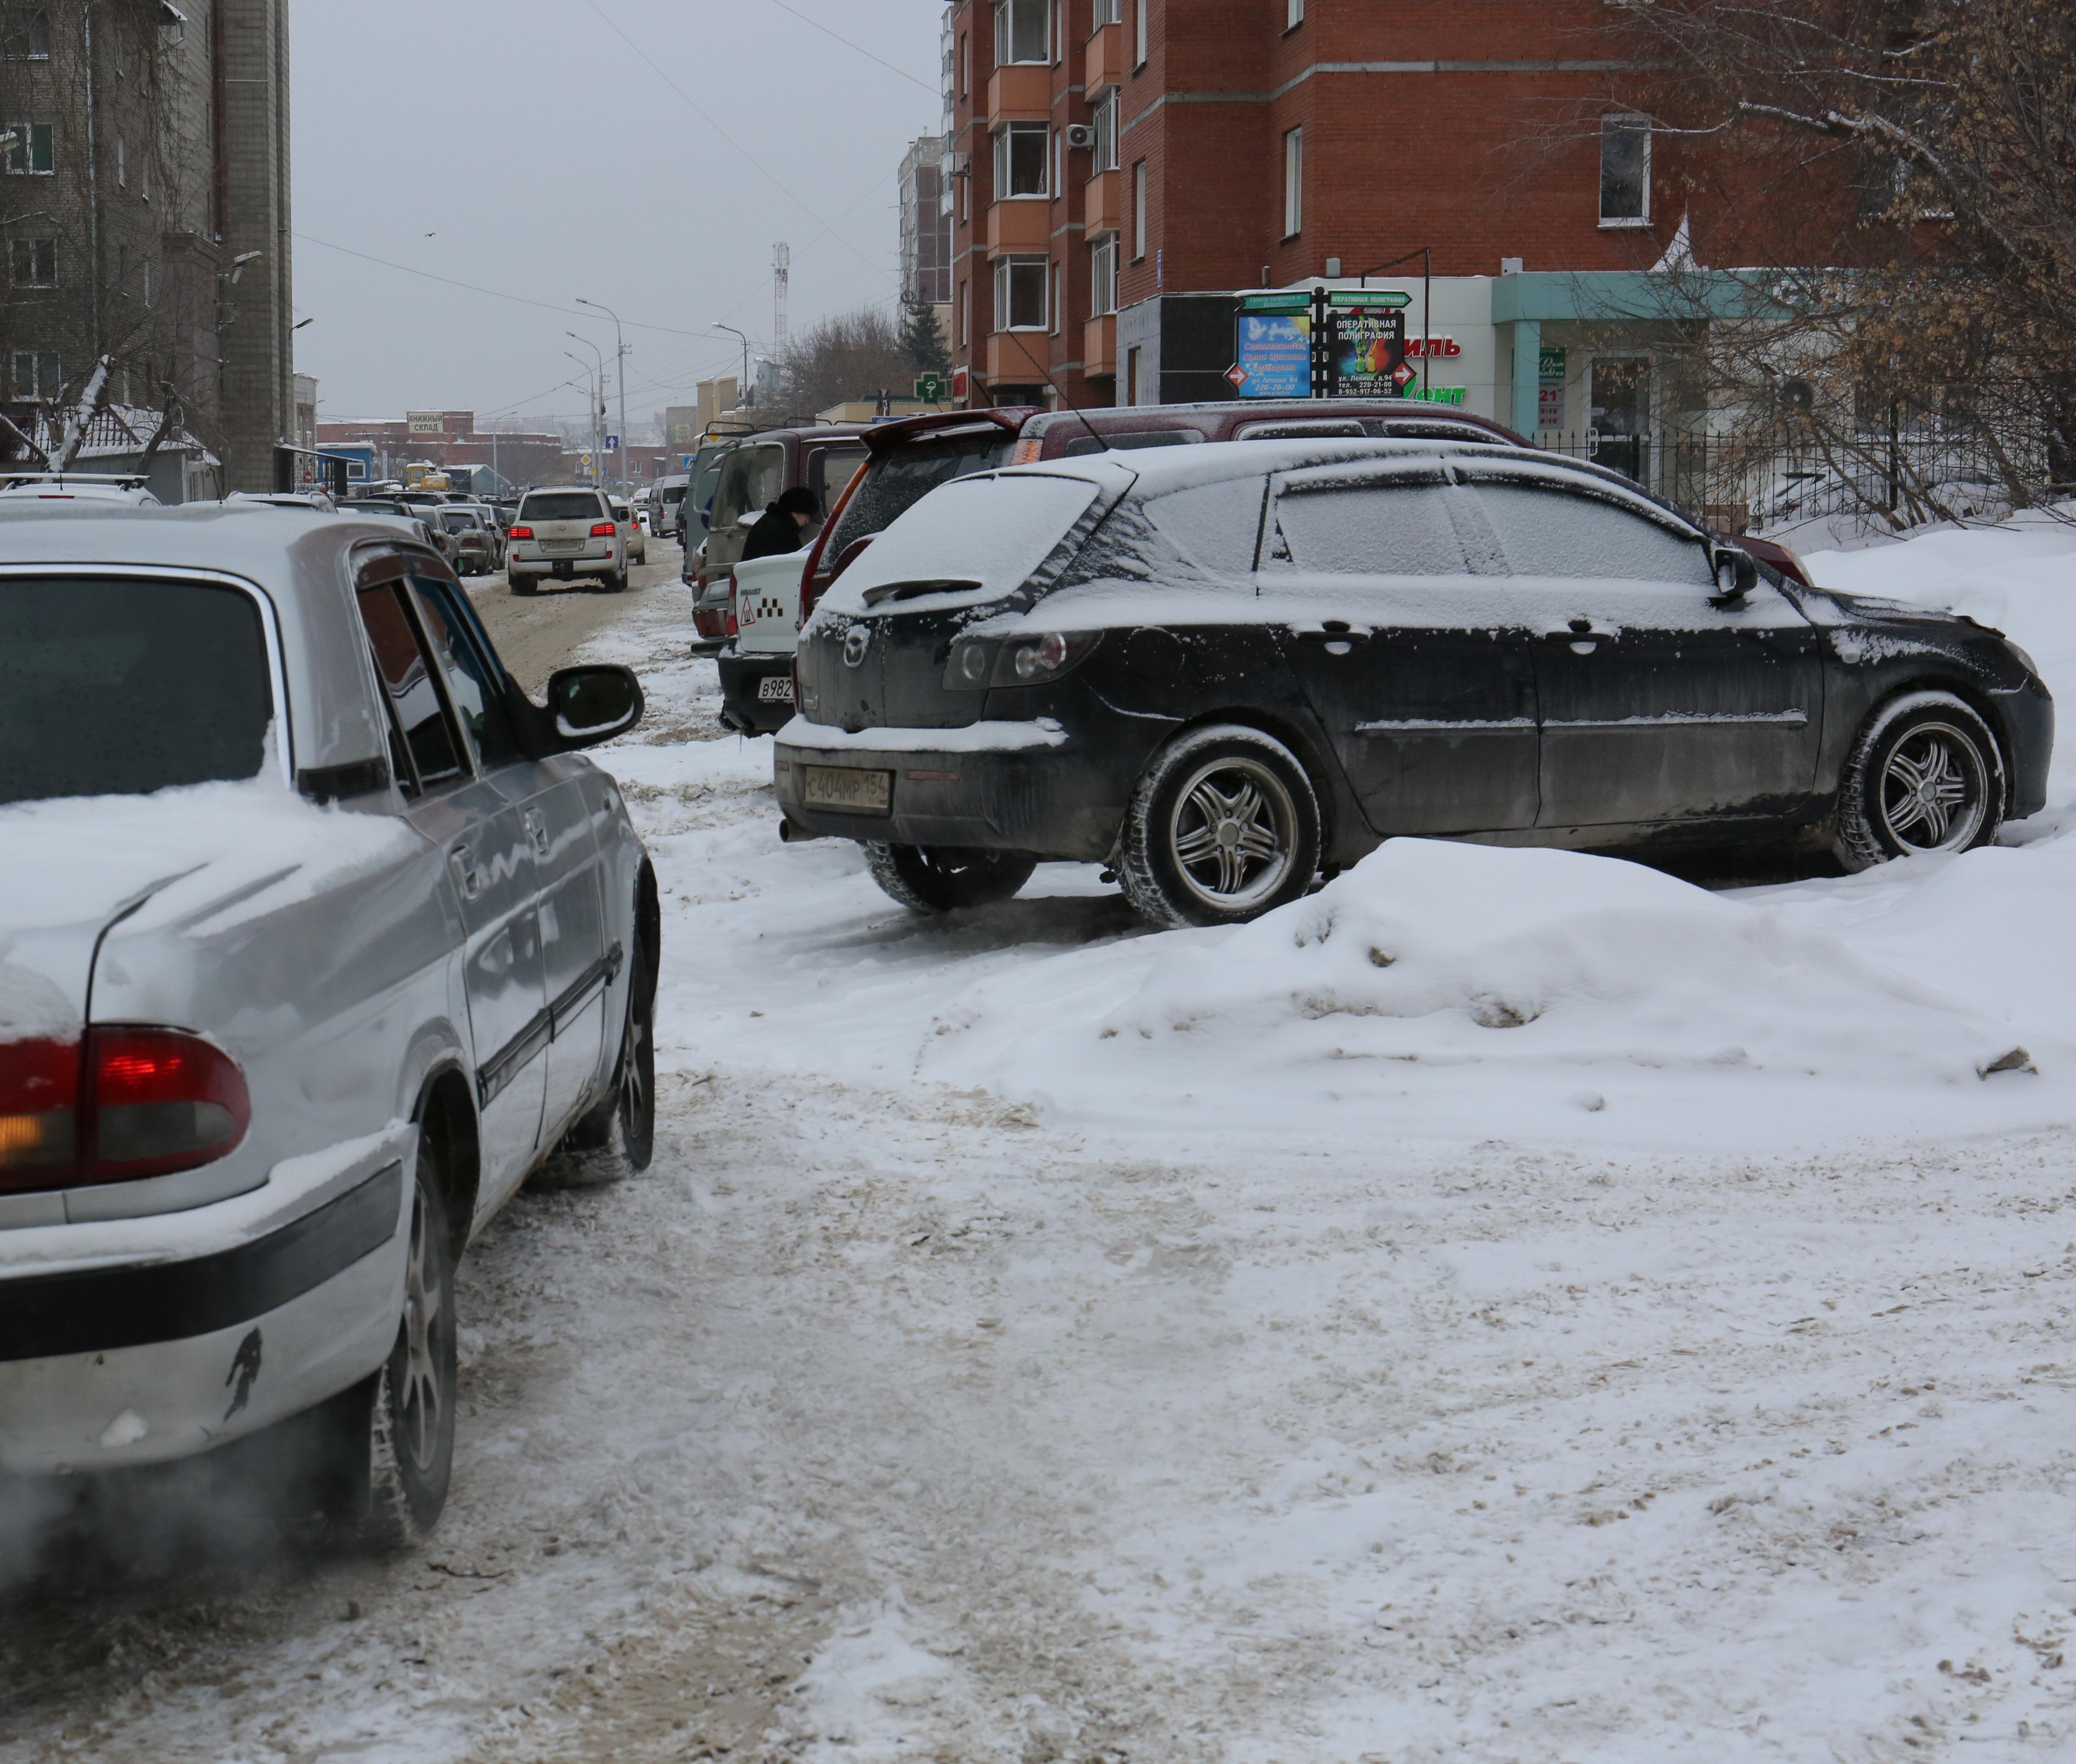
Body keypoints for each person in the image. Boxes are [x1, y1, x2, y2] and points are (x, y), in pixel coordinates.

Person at [741, 485, 819, 560]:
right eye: (806, 516)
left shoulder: (773, 524)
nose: (807, 521)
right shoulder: (780, 532)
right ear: (795, 513)